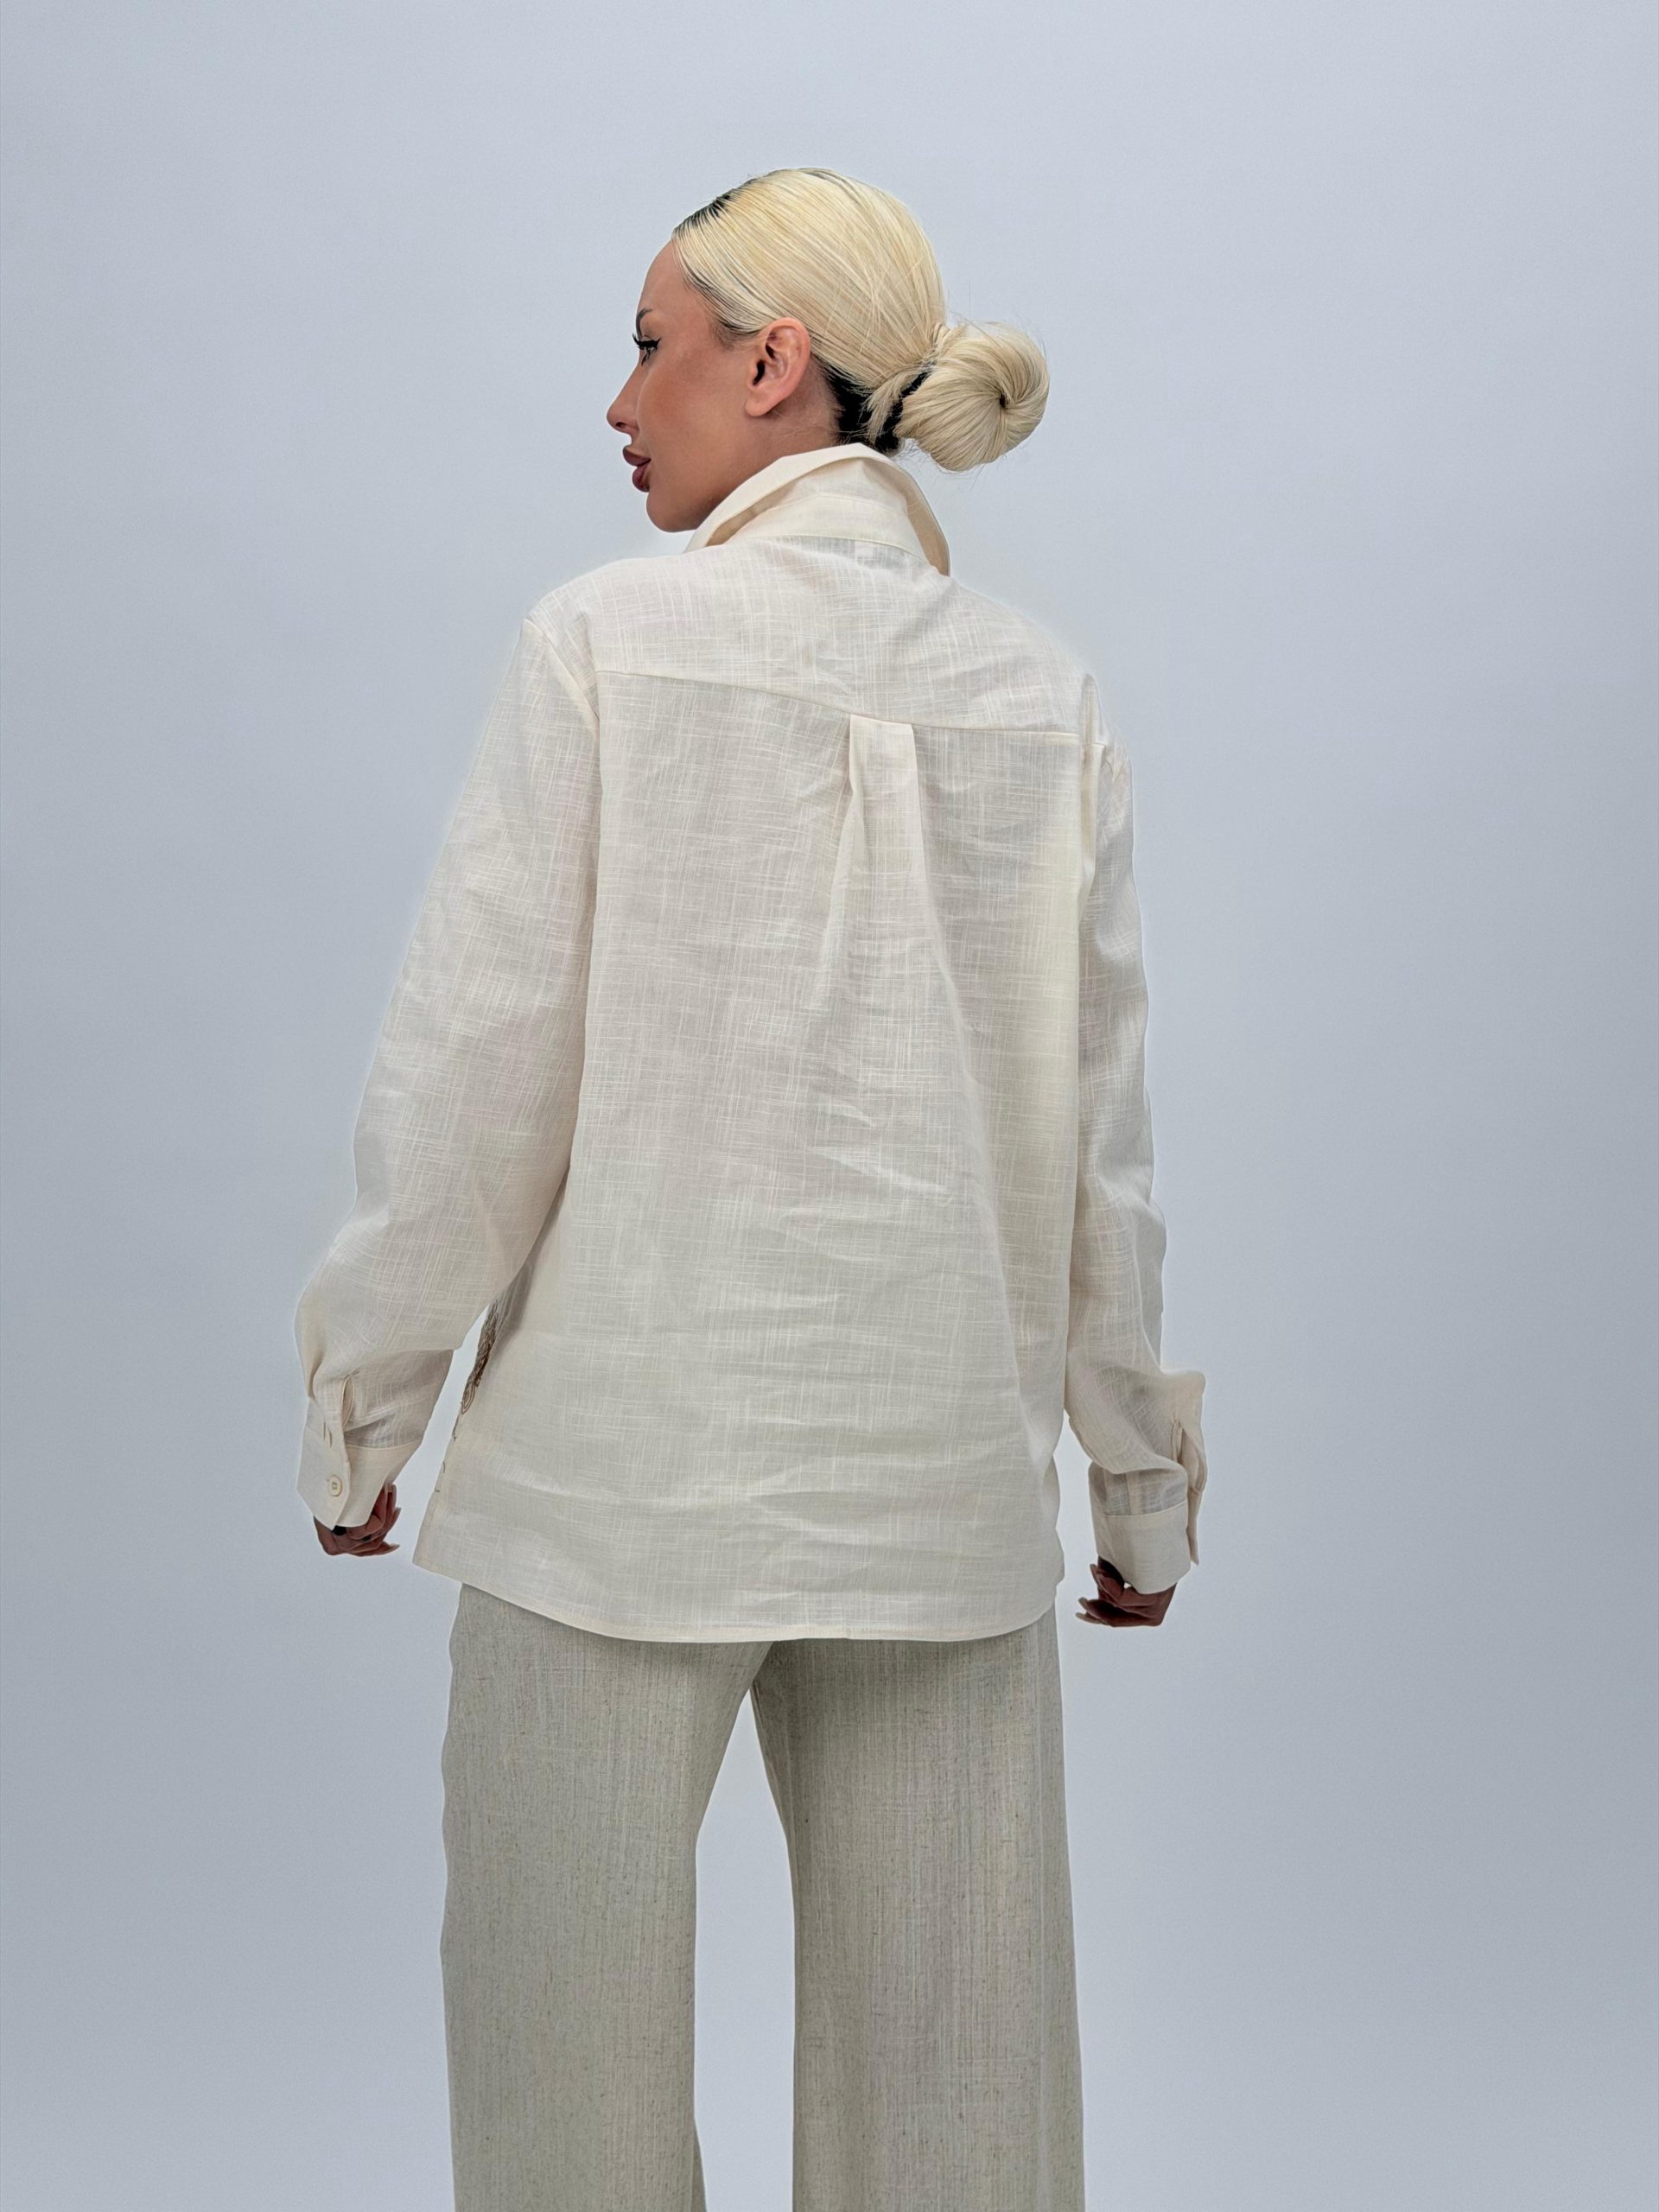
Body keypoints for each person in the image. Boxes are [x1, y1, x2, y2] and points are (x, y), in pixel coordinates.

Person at [294, 166, 1209, 2212]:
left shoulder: (602, 644)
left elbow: (474, 1079)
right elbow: (1102, 1148)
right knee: (961, 2113)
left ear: (773, 359)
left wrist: (366, 1400)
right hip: (941, 1490)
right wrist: (1136, 1478)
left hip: (610, 1484)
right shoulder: (1041, 696)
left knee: (564, 2100)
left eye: (653, 345)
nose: (622, 400)